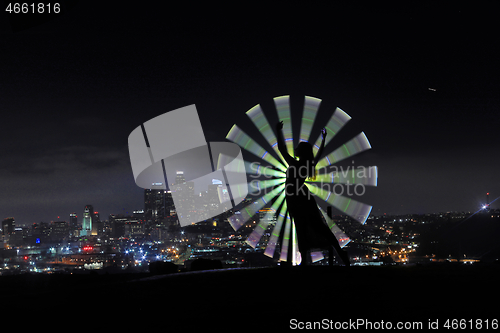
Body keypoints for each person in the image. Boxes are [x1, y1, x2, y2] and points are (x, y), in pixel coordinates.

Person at [276, 121, 350, 266]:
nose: (295, 150)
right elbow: (319, 154)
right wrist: (323, 140)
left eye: (297, 148)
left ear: (301, 152)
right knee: (318, 226)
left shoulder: (296, 164)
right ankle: (340, 253)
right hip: (302, 197)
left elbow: (282, 149)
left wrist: (279, 132)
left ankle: (305, 259)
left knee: (301, 227)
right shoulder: (308, 165)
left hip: (295, 198)